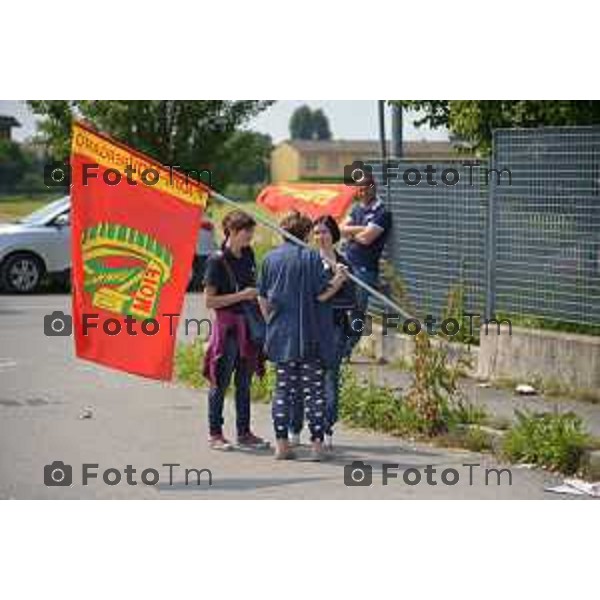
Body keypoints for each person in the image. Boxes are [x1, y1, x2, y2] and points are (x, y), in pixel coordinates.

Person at [258, 211, 348, 461]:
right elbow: (321, 295)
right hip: (312, 335)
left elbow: (263, 298)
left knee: (283, 391)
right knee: (314, 392)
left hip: (281, 336)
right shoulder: (312, 258)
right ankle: (317, 446)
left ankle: (282, 444)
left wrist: (271, 323)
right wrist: (339, 280)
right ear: (306, 233)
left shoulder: (269, 259)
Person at [202, 210, 268, 451]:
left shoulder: (249, 254)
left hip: (248, 326)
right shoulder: (216, 261)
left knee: (244, 382)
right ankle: (215, 433)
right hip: (228, 328)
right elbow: (209, 301)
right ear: (232, 231)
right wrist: (242, 295)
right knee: (220, 381)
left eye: (251, 232)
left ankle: (244, 432)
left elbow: (255, 287)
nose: (250, 237)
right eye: (246, 232)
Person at [311, 215, 356, 450]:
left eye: (324, 232)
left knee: (330, 375)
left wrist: (342, 279)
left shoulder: (344, 262)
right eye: (316, 232)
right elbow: (312, 297)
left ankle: (327, 425)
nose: (320, 237)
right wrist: (332, 281)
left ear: (333, 235)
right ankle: (305, 426)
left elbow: (350, 300)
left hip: (336, 327)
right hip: (312, 326)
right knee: (309, 377)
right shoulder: (309, 261)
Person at [340, 182, 392, 353]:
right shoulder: (357, 208)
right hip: (347, 265)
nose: (361, 192)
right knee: (342, 307)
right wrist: (361, 229)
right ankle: (339, 348)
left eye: (365, 188)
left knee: (357, 312)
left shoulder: (382, 213)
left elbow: (367, 239)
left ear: (373, 187)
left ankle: (345, 351)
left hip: (364, 269)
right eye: (359, 189)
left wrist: (352, 234)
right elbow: (341, 228)